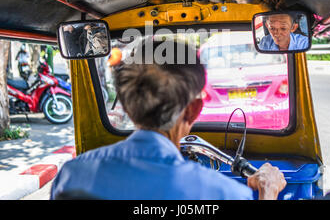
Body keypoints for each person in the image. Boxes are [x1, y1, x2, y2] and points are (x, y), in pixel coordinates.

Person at [50, 38, 286, 200]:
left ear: (128, 107)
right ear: (193, 110)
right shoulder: (225, 193)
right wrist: (268, 192)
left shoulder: (72, 175)